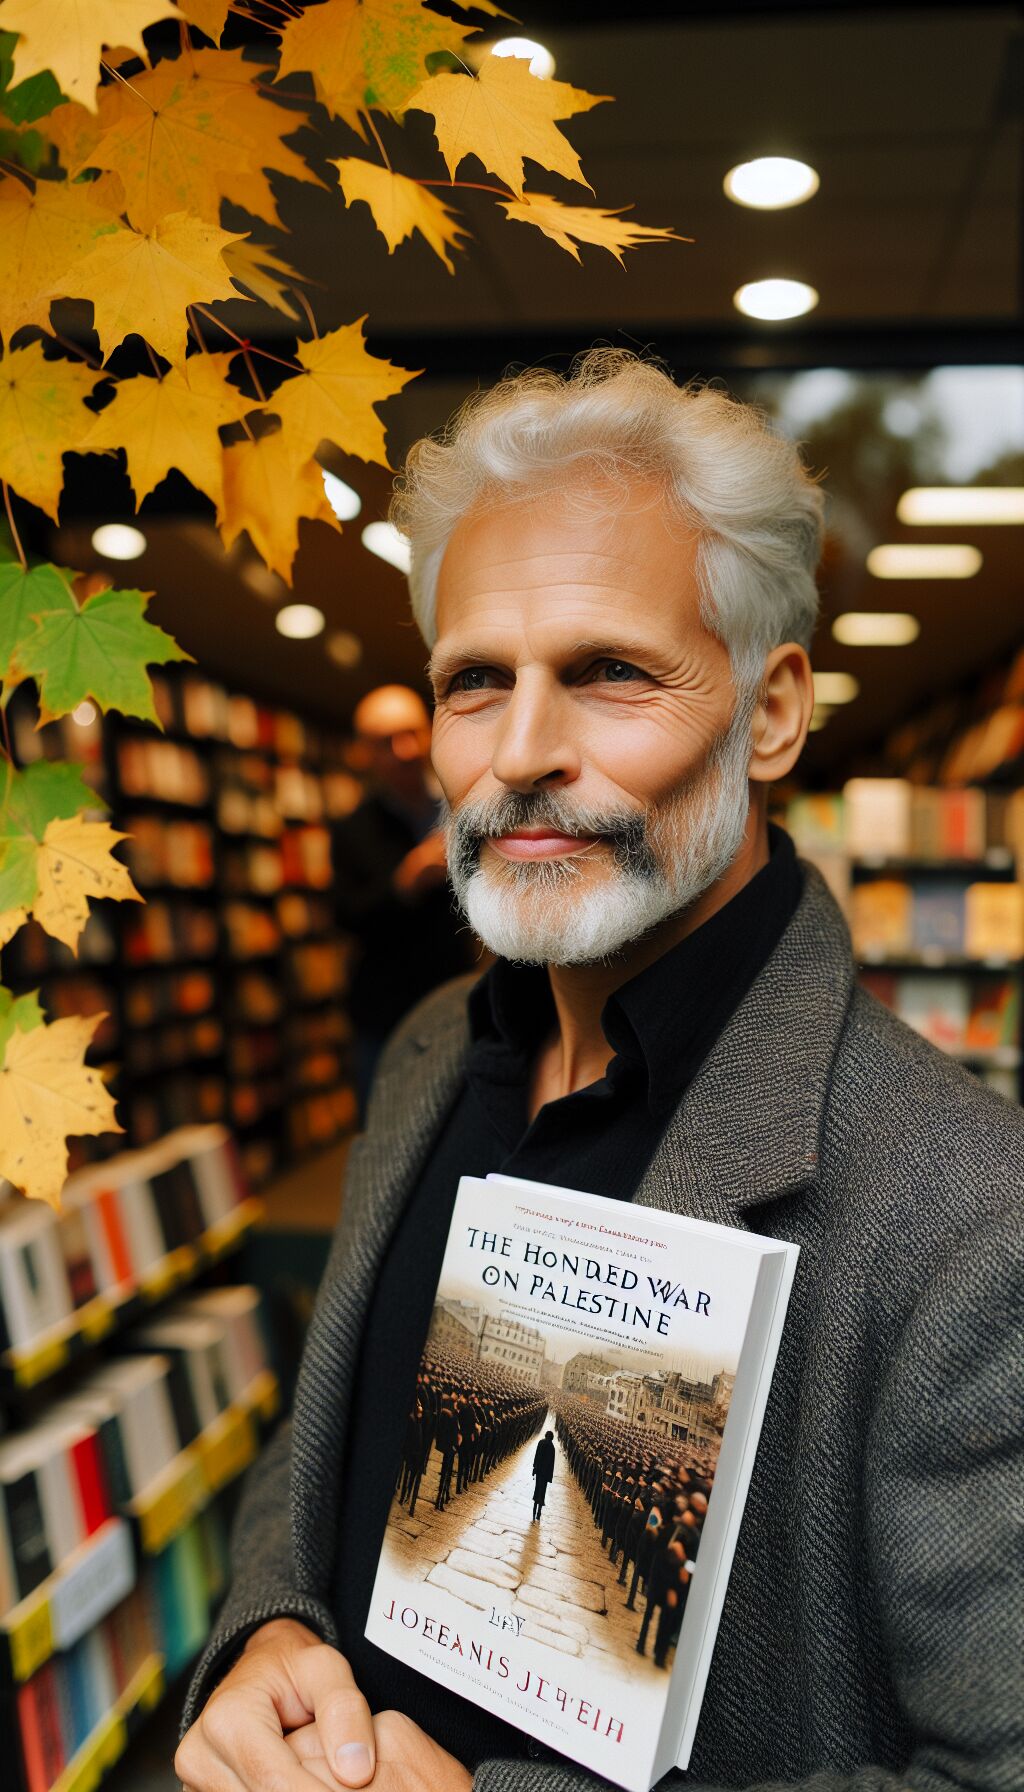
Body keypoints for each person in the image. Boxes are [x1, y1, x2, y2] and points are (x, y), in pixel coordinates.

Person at [176, 350, 1022, 1792]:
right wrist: (268, 1627)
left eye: (610, 673)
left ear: (771, 713)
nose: (519, 752)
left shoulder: (963, 1215)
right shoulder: (439, 1051)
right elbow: (326, 1460)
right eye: (473, 683)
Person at [329, 683, 473, 1112]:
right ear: (365, 753)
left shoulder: (463, 804)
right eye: (385, 742)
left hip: (460, 995)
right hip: (385, 1012)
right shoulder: (351, 827)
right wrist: (406, 882)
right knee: (387, 1130)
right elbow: (346, 916)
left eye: (411, 733)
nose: (405, 750)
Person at [531, 1429, 555, 1520]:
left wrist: (534, 1468)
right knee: (543, 1490)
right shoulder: (552, 1447)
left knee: (537, 1488)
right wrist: (550, 1477)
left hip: (539, 1471)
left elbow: (537, 1456)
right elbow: (551, 1463)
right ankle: (539, 1511)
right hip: (545, 1473)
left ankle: (535, 1506)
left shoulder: (541, 1443)